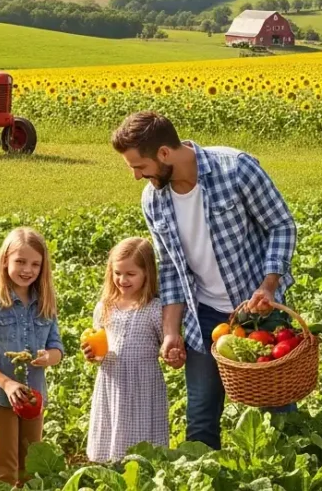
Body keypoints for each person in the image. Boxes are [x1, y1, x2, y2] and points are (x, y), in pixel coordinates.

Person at [111, 111, 297, 450]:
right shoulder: (154, 200)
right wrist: (170, 333)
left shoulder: (236, 169)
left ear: (164, 154)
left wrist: (267, 286)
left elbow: (282, 225)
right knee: (200, 417)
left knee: (278, 407)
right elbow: (169, 269)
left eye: (140, 167)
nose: (137, 176)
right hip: (205, 317)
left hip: (261, 312)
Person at [0, 227, 64, 485]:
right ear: (5, 261)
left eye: (35, 264)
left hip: (33, 396)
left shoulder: (45, 302)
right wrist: (7, 383)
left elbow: (57, 347)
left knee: (31, 466)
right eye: (20, 262)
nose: (28, 270)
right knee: (5, 469)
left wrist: (48, 357)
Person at [84, 237, 169, 462]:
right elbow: (100, 346)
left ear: (147, 273)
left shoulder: (154, 308)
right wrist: (93, 355)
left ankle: (140, 472)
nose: (123, 279)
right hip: (112, 381)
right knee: (112, 426)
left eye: (130, 274)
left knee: (143, 440)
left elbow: (165, 346)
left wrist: (172, 353)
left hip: (143, 383)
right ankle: (111, 469)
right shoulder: (105, 307)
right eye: (118, 273)